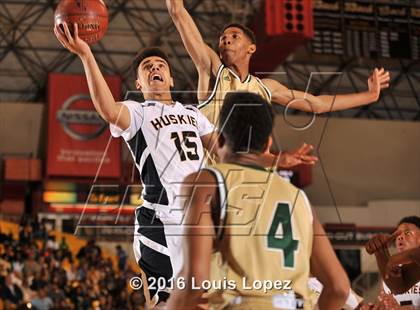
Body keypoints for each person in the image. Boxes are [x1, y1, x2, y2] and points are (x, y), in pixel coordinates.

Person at [54, 22, 217, 308]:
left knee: (203, 301)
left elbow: (226, 151)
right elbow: (107, 109)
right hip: (160, 221)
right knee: (165, 303)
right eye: (147, 67)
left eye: (161, 65)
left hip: (199, 219)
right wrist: (86, 55)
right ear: (139, 84)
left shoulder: (193, 113)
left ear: (171, 78)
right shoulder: (138, 112)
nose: (155, 68)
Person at [166, 92, 350, 309]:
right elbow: (339, 288)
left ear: (221, 139)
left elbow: (193, 283)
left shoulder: (206, 182)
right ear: (267, 144)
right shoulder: (299, 198)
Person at [166, 0, 390, 123]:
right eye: (223, 38)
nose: (226, 40)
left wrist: (370, 95)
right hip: (208, 175)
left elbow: (318, 104)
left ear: (251, 48)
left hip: (242, 174)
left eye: (234, 36)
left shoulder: (266, 88)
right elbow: (178, 12)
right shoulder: (212, 69)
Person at [365, 216, 420, 308]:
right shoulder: (392, 268)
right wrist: (380, 251)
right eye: (398, 234)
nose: (400, 237)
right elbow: (398, 287)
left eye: (407, 233)